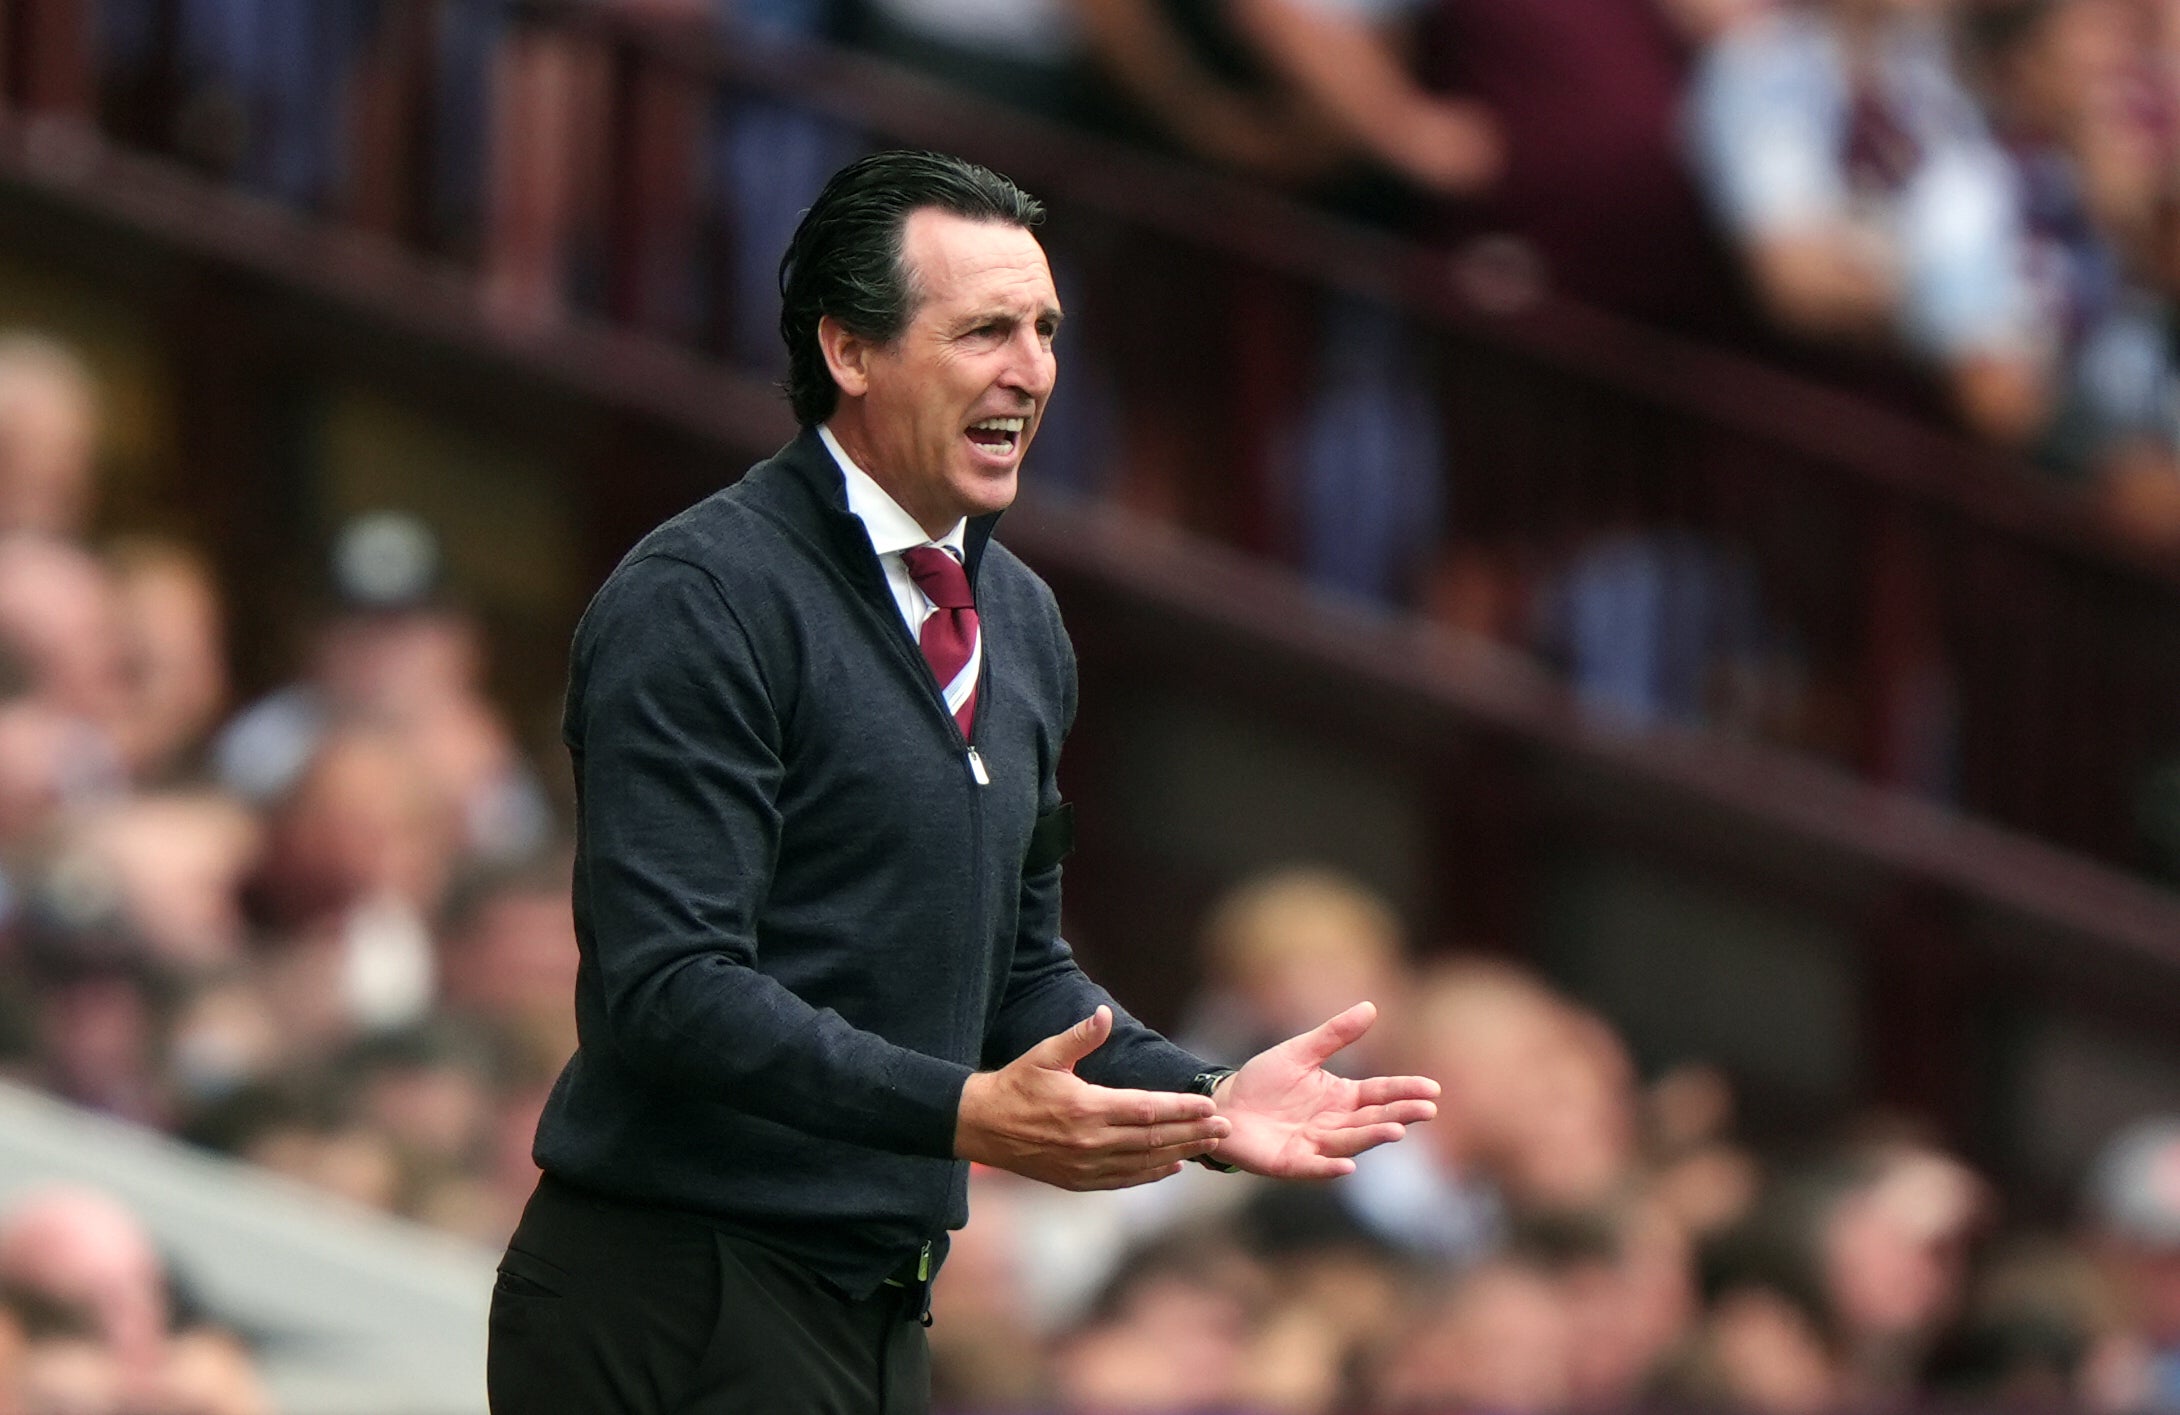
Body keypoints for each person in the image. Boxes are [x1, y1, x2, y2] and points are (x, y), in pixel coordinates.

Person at [484, 148, 1441, 1415]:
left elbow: (1018, 975)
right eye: (984, 328)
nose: (1031, 369)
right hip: (677, 1292)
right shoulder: (702, 597)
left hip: (874, 1303)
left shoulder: (1022, 619)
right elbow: (671, 987)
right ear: (848, 349)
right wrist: (961, 1115)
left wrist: (1202, 1097)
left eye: (1044, 330)